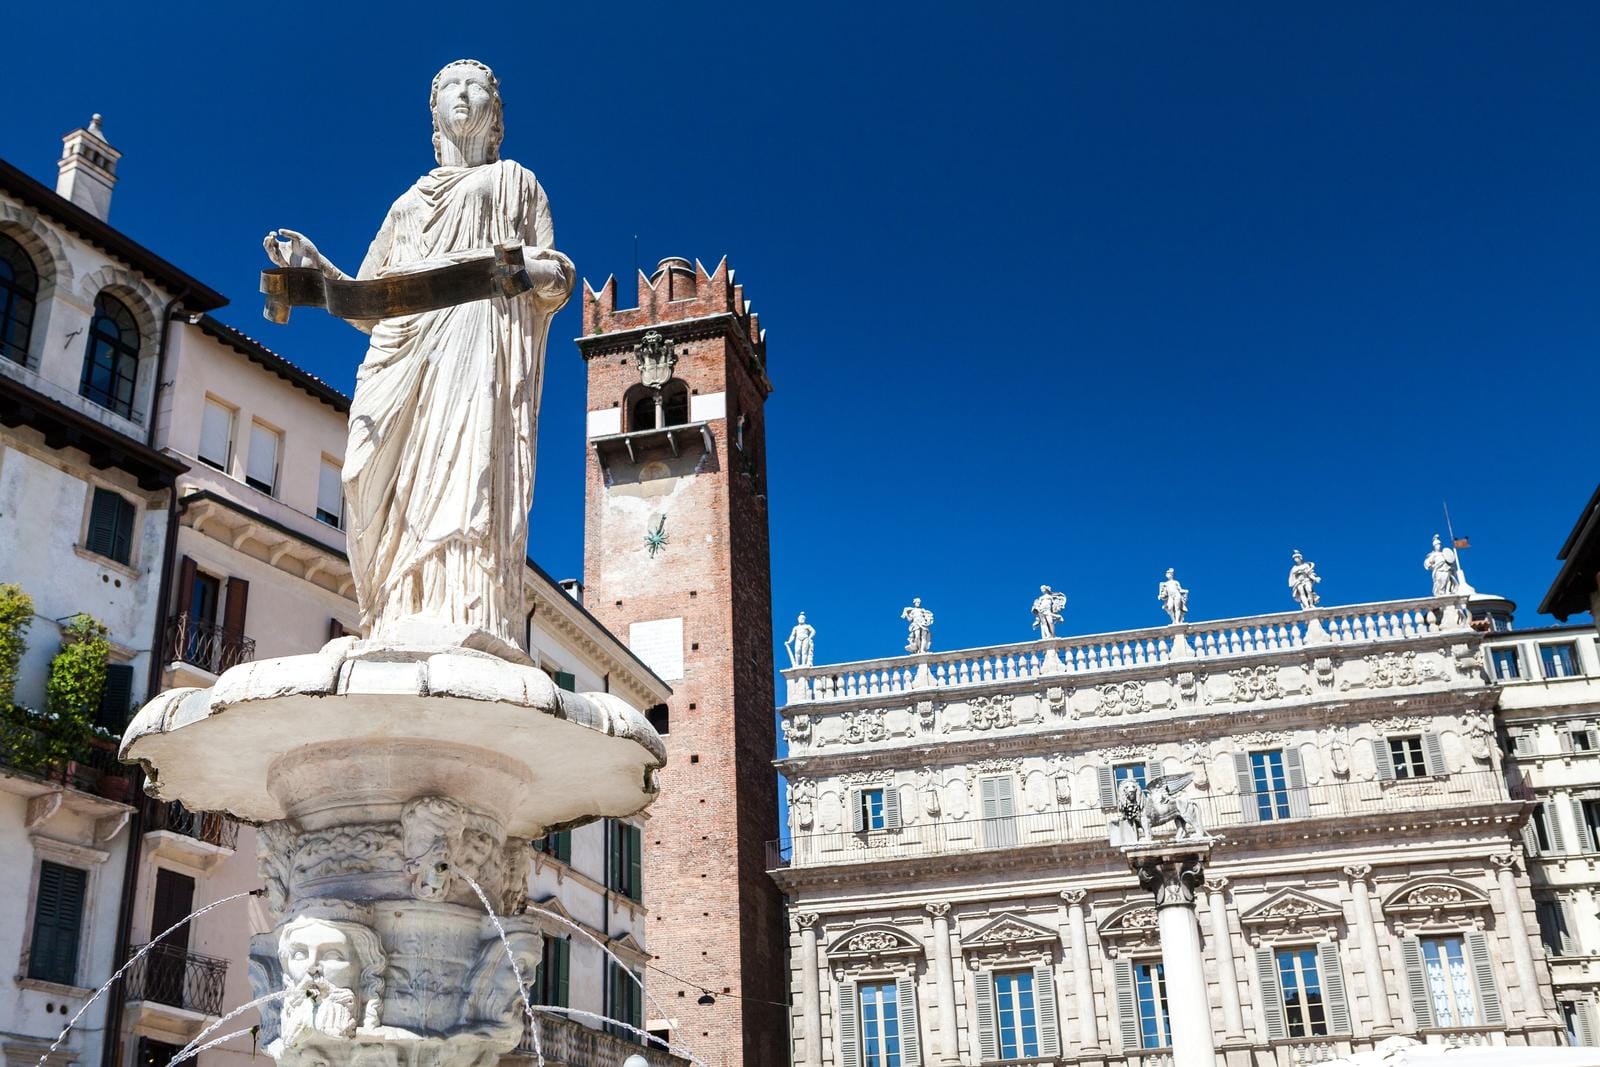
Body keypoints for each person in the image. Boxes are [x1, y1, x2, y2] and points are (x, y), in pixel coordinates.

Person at [263, 60, 575, 658]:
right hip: (403, 351)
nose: (461, 93)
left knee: (465, 468)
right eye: (448, 87)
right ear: (433, 113)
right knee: (365, 472)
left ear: (495, 111)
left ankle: (466, 606)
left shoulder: (516, 181)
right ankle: (392, 609)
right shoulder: (408, 203)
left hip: (476, 337)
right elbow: (367, 302)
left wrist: (540, 271)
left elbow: (554, 272)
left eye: (474, 84)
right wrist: (315, 268)